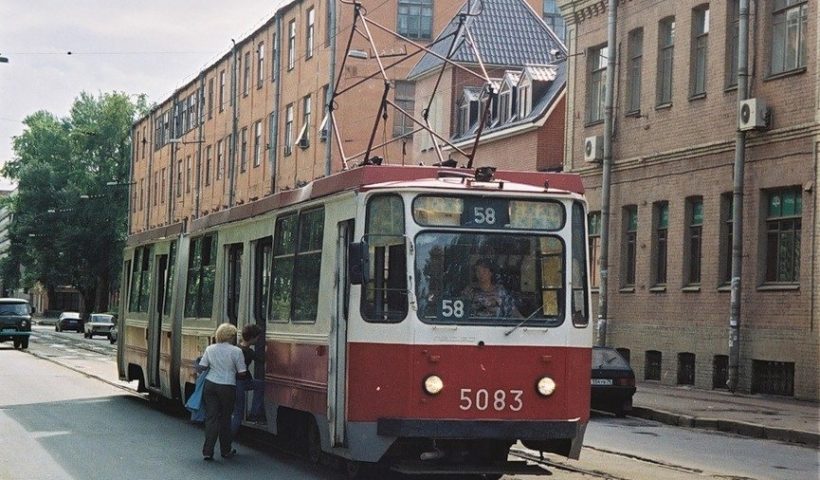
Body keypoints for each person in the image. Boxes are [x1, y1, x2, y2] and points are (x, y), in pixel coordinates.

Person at [198, 323, 248, 461]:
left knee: (211, 418)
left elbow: (202, 366)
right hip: (227, 386)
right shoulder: (236, 351)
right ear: (231, 336)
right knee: (225, 419)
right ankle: (226, 450)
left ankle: (208, 451)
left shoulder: (210, 348)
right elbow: (242, 372)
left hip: (210, 385)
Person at [231, 324, 266, 435]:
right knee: (238, 414)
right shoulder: (248, 352)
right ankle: (227, 440)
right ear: (252, 338)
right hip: (241, 383)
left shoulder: (236, 347)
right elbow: (261, 360)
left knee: (259, 385)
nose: (258, 339)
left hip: (235, 382)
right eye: (257, 337)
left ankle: (254, 413)